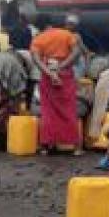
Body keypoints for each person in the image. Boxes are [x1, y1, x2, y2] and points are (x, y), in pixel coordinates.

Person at [30, 14, 83, 153]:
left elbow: (36, 60)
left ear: (38, 27)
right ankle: (76, 147)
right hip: (65, 75)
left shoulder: (37, 39)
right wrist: (62, 66)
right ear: (51, 23)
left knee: (48, 112)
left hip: (48, 78)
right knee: (69, 110)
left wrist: (50, 73)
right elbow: (77, 52)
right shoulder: (66, 34)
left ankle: (46, 146)